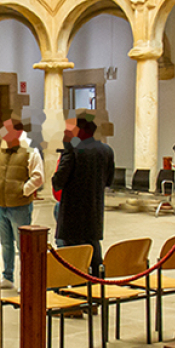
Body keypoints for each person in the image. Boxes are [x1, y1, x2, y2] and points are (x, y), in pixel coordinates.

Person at [52, 114, 115, 275]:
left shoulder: (72, 149)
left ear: (80, 131)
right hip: (94, 211)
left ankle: (76, 287)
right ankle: (96, 286)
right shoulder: (107, 150)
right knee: (93, 249)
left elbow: (59, 180)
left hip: (73, 213)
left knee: (74, 255)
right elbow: (109, 181)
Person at [0, 118, 44, 290]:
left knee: (21, 243)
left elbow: (38, 177)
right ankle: (7, 276)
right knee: (5, 243)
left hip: (20, 206)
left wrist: (22, 190)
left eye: (6, 131)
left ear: (17, 133)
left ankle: (27, 278)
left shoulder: (30, 150)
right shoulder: (0, 150)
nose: (3, 135)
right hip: (1, 205)